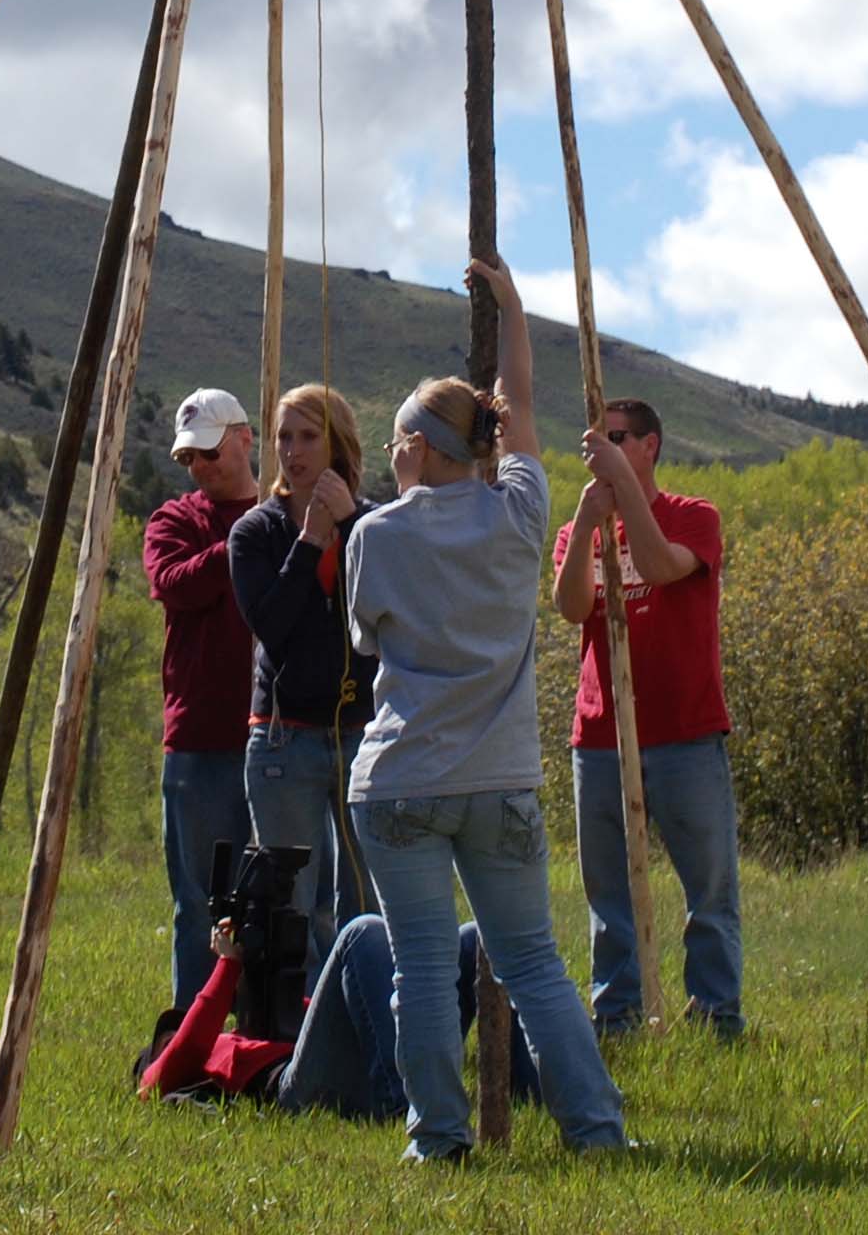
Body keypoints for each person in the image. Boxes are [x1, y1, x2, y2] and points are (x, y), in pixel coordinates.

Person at [345, 258, 625, 1160]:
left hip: (400, 783)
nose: (391, 456)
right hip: (501, 777)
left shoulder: (376, 535)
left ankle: (438, 1139)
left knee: (421, 968)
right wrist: (510, 308)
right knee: (535, 965)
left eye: (397, 442)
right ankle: (595, 1133)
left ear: (421, 448)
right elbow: (521, 409)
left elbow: (367, 643)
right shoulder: (519, 514)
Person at [551, 396, 741, 1038]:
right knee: (609, 896)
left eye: (617, 438)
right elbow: (573, 606)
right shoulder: (581, 529)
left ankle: (716, 1018)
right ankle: (617, 1019)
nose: (600, 450)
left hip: (685, 734)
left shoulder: (694, 517)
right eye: (595, 441)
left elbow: (660, 568)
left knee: (708, 891)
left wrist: (626, 495)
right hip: (602, 735)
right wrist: (584, 523)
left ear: (649, 446)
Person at [230, 382, 375, 979]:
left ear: (337, 443)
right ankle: (299, 1043)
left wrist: (350, 527)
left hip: (364, 732)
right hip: (284, 738)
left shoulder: (375, 525)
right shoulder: (255, 532)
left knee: (365, 900)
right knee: (293, 907)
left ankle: (368, 1025)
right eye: (283, 437)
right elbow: (271, 626)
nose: (293, 451)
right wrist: (311, 539)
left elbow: (393, 612)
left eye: (308, 436)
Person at [138, 914, 538, 1120]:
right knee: (361, 932)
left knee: (474, 940)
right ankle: (401, 1103)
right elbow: (190, 1045)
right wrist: (228, 965)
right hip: (294, 1087)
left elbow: (330, 1015)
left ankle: (528, 1094)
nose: (184, 1023)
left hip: (337, 1060)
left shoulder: (241, 1034)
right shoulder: (163, 1075)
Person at [146, 387, 260, 1009]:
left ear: (244, 439)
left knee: (273, 896)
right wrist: (249, 536)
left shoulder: (284, 517)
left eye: (210, 452)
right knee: (197, 902)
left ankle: (266, 1030)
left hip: (276, 734)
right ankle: (192, 1036)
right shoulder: (174, 521)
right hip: (198, 739)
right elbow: (176, 585)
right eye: (190, 458)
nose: (200, 467)